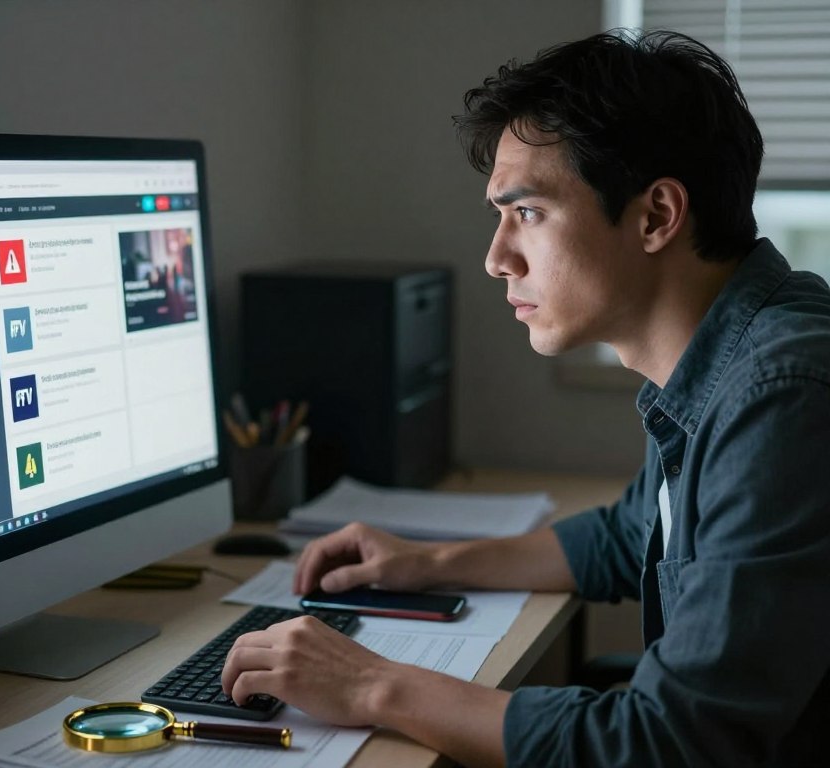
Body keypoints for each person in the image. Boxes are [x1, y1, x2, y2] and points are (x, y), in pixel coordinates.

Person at [221, 29, 830, 767]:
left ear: (656, 216)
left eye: (528, 213)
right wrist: (423, 563)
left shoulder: (780, 396)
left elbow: (673, 744)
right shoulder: (721, 356)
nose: (496, 256)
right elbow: (626, 535)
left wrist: (373, 684)